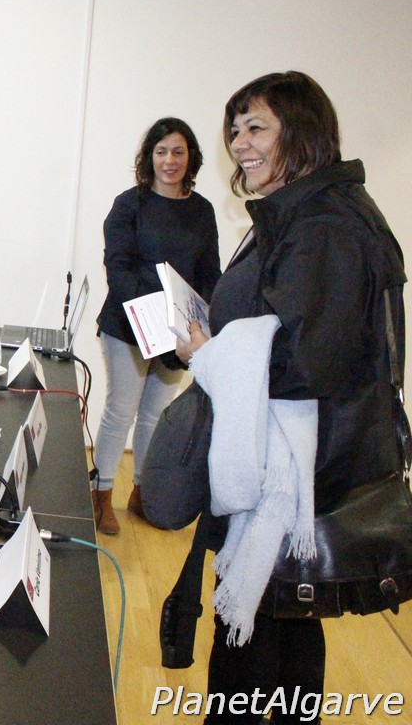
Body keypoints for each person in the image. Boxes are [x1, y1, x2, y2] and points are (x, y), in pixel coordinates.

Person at [176, 72, 405, 723]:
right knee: (287, 635)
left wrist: (209, 355)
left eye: (256, 128)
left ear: (301, 133)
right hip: (290, 466)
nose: (239, 144)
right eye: (235, 130)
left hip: (295, 479)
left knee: (255, 653)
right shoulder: (304, 210)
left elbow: (304, 362)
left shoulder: (325, 224)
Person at [90, 117, 221, 535]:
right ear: (149, 157)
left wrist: (199, 326)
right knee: (121, 411)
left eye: (178, 152)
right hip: (128, 327)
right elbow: (119, 269)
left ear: (190, 158)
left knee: (154, 416)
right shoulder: (129, 204)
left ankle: (141, 493)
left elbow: (210, 273)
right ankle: (101, 495)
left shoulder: (202, 211)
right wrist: (151, 320)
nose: (169, 160)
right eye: (161, 151)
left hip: (179, 335)